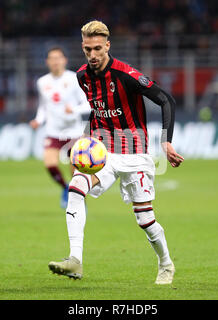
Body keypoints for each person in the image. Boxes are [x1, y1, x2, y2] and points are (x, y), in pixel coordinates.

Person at [48, 21, 184, 285]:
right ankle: (75, 260)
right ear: (83, 47)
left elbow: (166, 99)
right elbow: (97, 108)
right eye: (88, 49)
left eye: (98, 48)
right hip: (104, 152)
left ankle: (166, 263)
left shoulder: (126, 75)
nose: (93, 55)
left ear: (108, 45)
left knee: (145, 218)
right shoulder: (81, 77)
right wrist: (88, 137)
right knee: (76, 188)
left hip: (136, 154)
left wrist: (166, 141)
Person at [30, 47, 91, 208]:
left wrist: (74, 110)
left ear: (64, 60)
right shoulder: (42, 82)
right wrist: (38, 120)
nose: (55, 61)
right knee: (50, 164)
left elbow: (88, 104)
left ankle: (77, 197)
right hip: (53, 131)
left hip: (74, 131)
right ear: (47, 62)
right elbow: (43, 106)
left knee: (75, 170)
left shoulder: (74, 79)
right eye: (52, 58)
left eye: (58, 58)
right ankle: (65, 187)